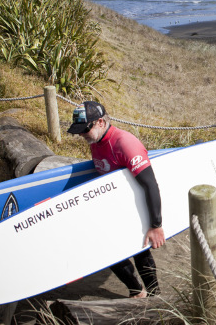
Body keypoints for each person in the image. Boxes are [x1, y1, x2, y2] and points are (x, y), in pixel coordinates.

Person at [68, 101, 164, 298]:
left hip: (136, 208)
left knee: (140, 250)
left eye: (85, 129)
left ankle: (155, 295)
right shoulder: (96, 140)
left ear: (101, 122)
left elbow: (150, 184)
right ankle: (136, 291)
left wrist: (156, 225)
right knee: (107, 251)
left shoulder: (124, 143)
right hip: (114, 208)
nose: (81, 134)